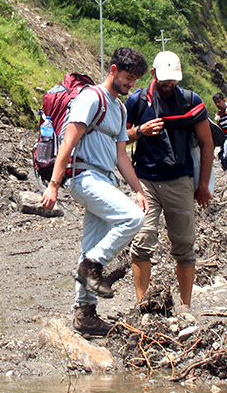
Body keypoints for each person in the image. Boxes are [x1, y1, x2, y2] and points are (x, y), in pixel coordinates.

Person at [42, 47, 151, 336]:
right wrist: (53, 184)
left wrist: (138, 190)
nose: (131, 84)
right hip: (83, 176)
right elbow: (68, 142)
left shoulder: (120, 108)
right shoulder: (91, 97)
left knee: (90, 245)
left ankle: (85, 314)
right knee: (132, 219)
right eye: (128, 77)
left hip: (105, 179)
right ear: (113, 69)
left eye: (135, 80)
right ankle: (93, 265)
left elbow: (122, 158)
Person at [124, 51, 213, 307]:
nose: (168, 84)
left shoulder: (190, 101)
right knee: (142, 242)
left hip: (180, 180)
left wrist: (203, 184)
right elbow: (120, 138)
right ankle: (142, 305)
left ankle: (186, 306)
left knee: (184, 247)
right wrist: (141, 131)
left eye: (173, 80)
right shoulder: (137, 101)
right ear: (153, 74)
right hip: (145, 182)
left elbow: (207, 143)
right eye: (164, 79)